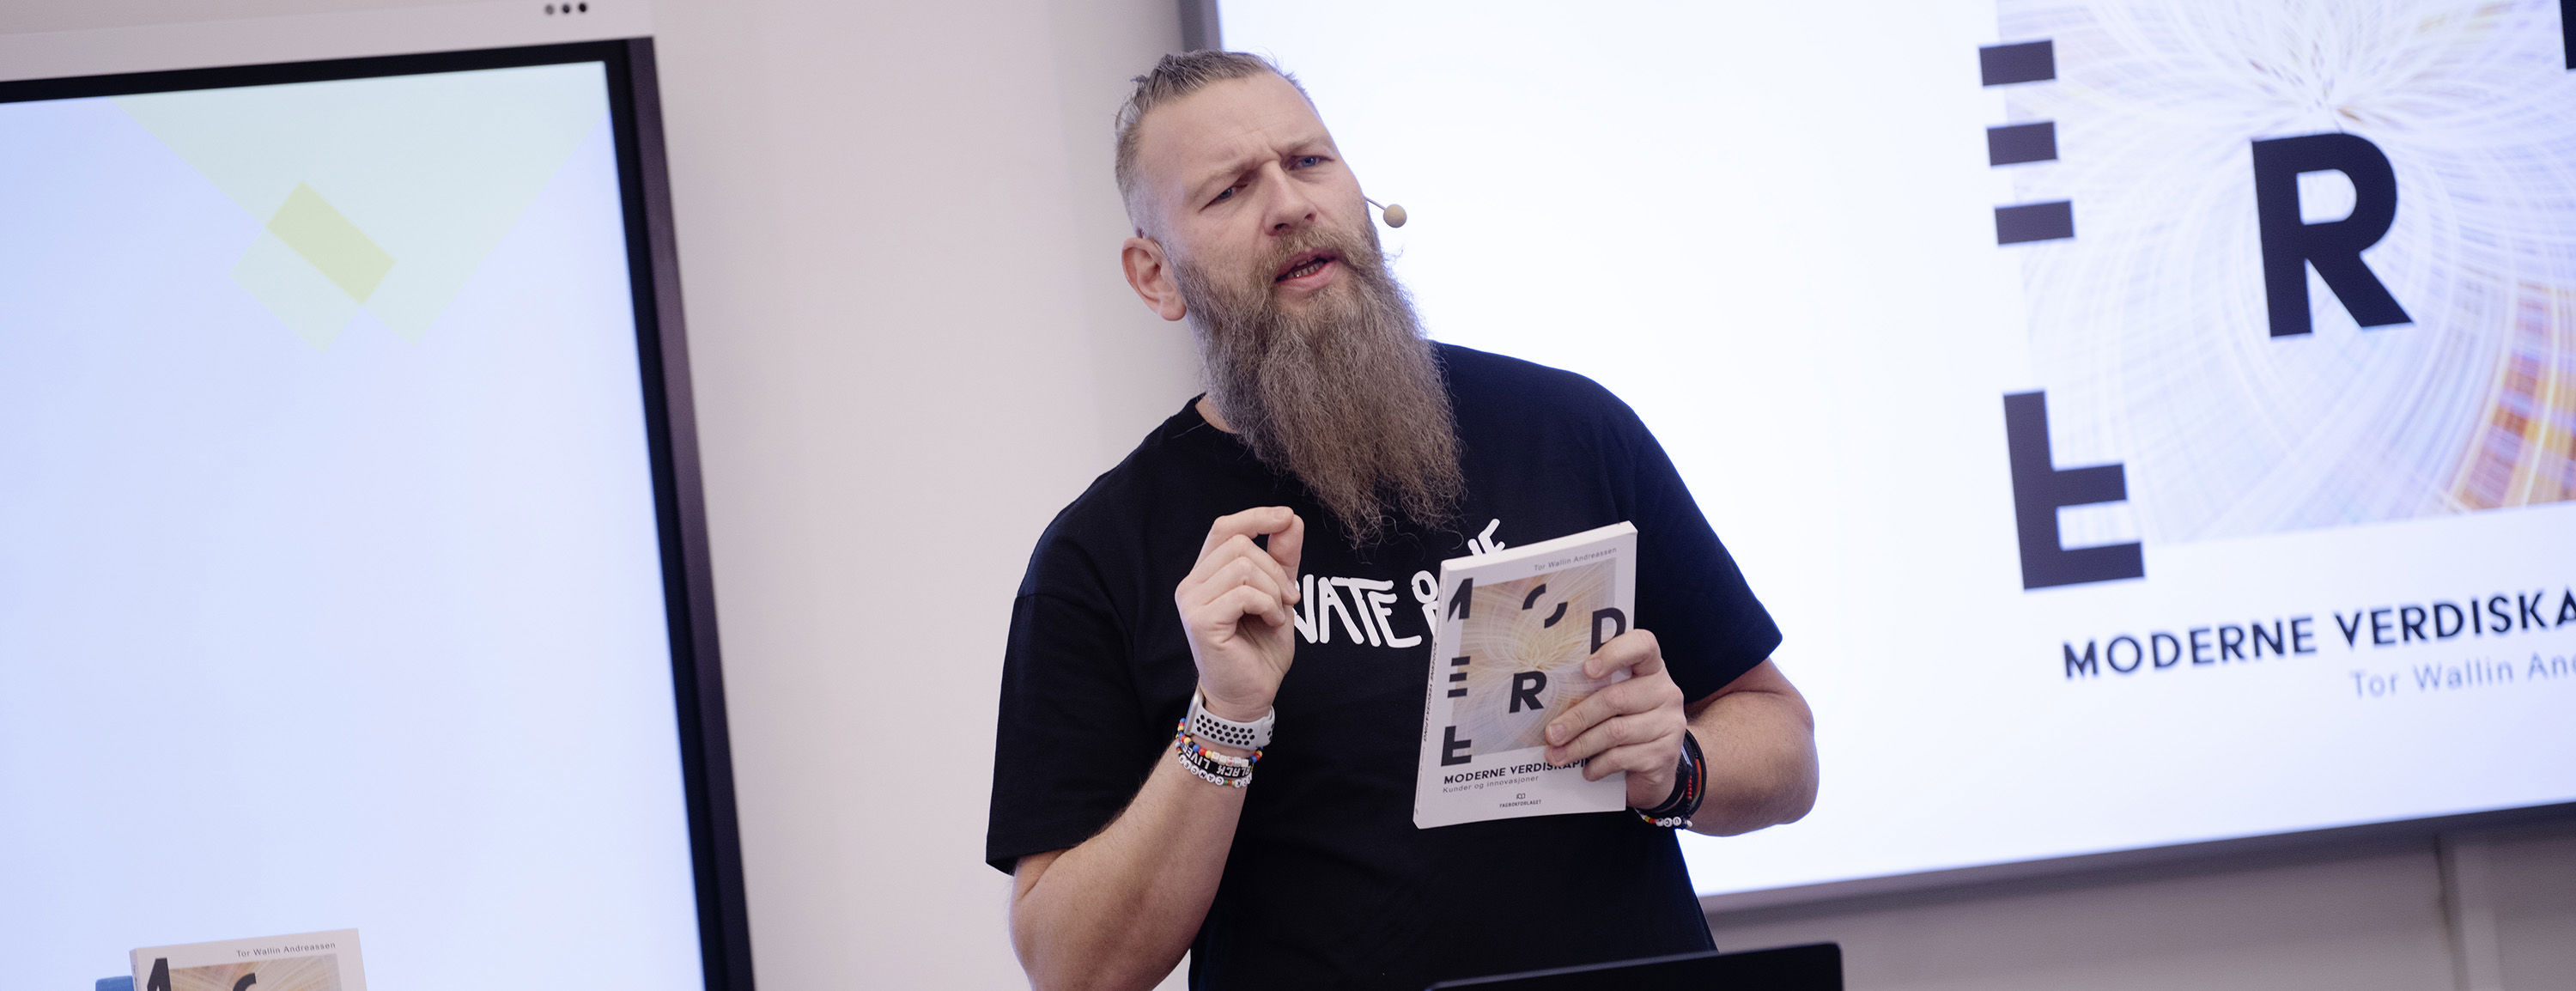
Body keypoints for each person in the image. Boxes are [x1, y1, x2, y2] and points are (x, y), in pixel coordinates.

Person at [985, 51, 1819, 990]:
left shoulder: (1569, 431)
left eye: (1309, 162)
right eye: (1228, 191)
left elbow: (1785, 745)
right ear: (1154, 274)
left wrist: (1681, 764)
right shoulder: (1106, 551)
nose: (1290, 204)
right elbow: (1073, 965)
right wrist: (1223, 720)